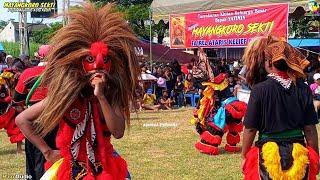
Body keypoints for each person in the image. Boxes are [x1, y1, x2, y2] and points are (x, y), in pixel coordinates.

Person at [16, 3, 138, 179]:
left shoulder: (112, 94)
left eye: (105, 60)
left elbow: (118, 132)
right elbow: (22, 119)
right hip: (71, 170)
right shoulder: (66, 96)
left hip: (106, 168)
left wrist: (101, 96)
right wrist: (47, 151)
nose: (98, 66)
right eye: (90, 59)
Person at [241, 36, 319, 180]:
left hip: (268, 156)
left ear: (270, 62)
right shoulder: (303, 89)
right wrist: (315, 156)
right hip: (298, 155)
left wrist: (245, 156)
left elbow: (250, 128)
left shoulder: (259, 90)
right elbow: (310, 129)